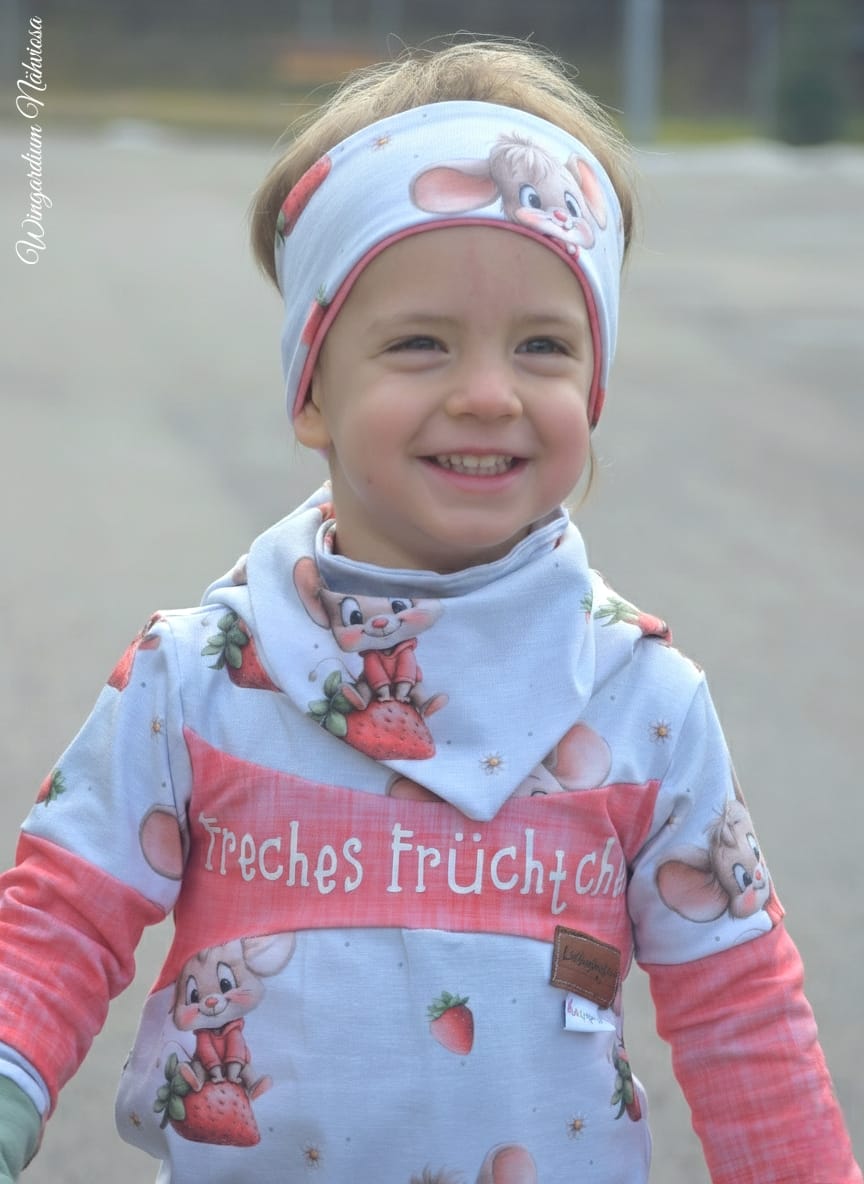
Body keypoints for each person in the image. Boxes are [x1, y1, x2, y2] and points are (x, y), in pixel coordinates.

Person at [0, 38, 859, 1184]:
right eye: (420, 343)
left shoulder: (642, 702)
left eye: (543, 346)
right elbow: (60, 918)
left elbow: (739, 1007)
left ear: (593, 386)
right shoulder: (198, 676)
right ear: (313, 390)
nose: (489, 393)